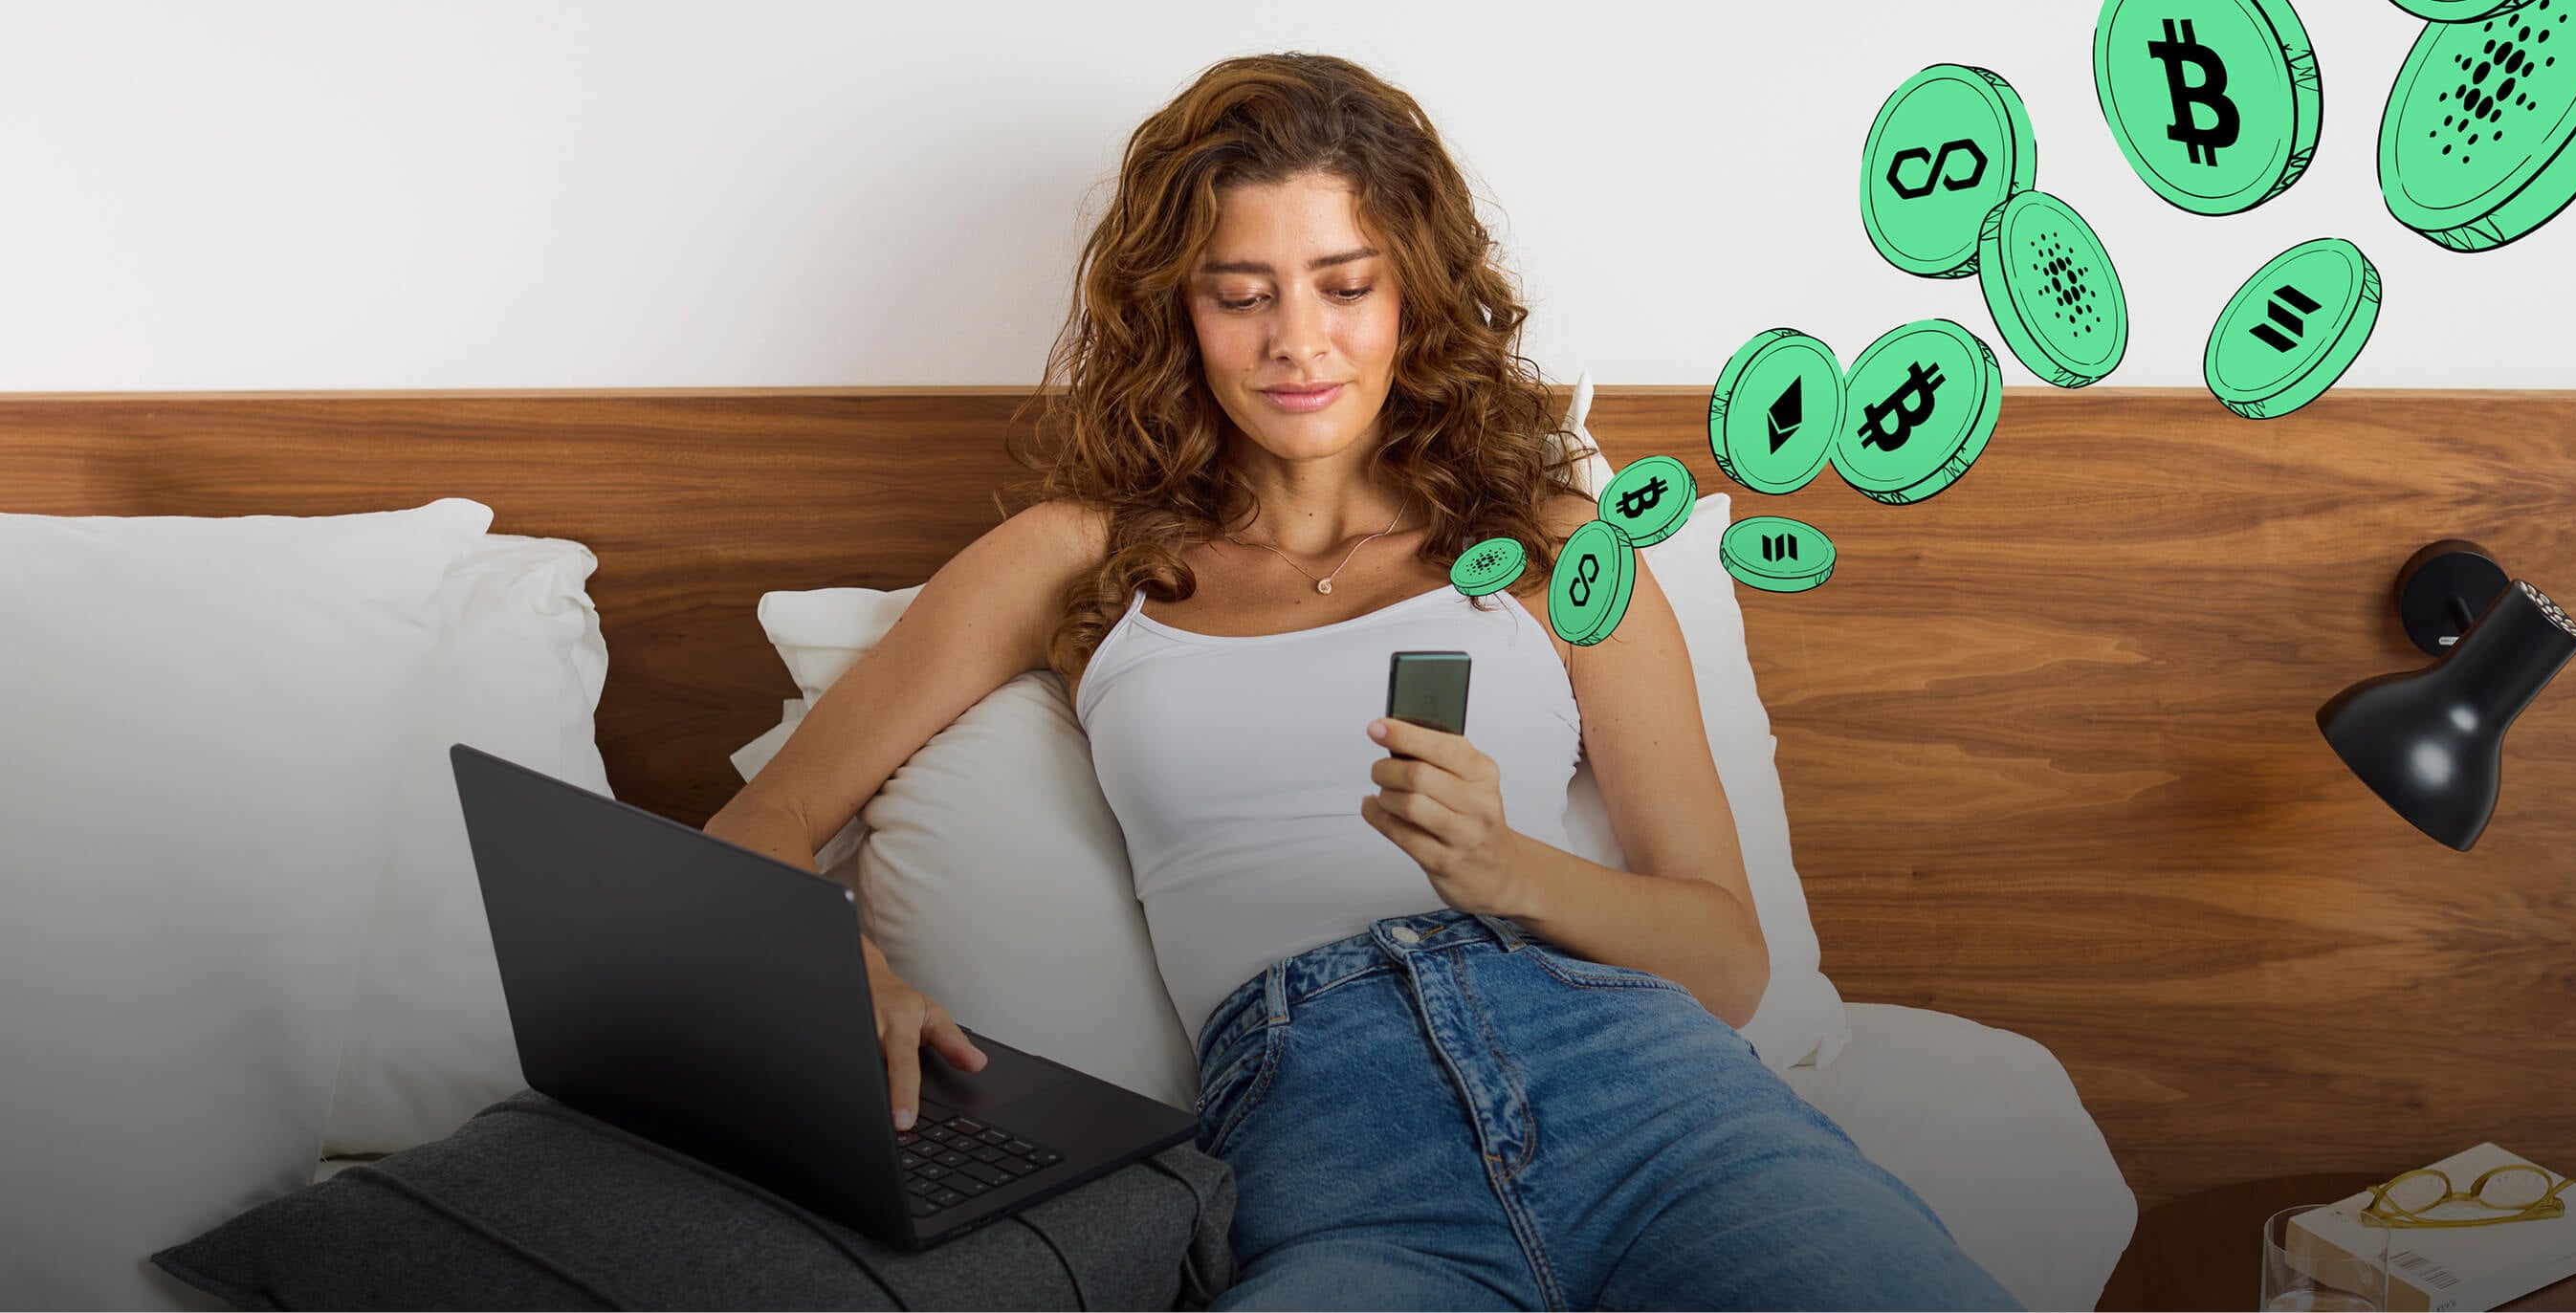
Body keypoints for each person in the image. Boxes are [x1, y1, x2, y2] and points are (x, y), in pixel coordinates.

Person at [705, 51, 2021, 1312]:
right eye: (1242, 292)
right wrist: (843, 968)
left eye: (1344, 284)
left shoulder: (1561, 540)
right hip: (1331, 1157)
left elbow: (1730, 959)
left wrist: (1510, 869)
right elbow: (756, 824)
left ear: (1413, 294)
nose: (1298, 342)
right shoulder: (1076, 557)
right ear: (1179, 304)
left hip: (1653, 1108)